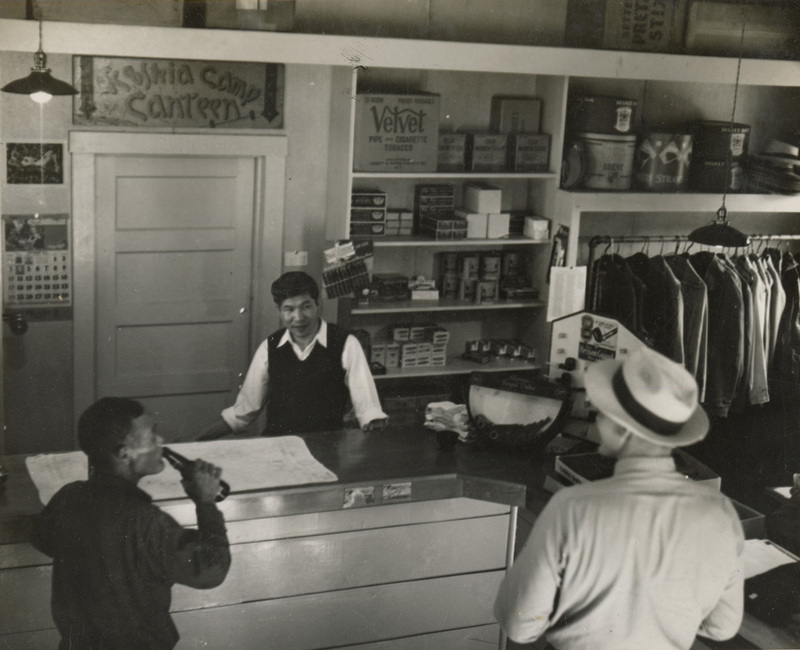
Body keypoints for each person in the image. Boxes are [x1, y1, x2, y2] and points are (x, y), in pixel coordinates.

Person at [494, 346, 745, 650]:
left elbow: (518, 625)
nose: (597, 423)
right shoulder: (720, 512)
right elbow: (722, 626)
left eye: (602, 413)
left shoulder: (572, 508)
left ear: (624, 430)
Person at [33, 397, 231, 650]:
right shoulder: (148, 522)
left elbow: (46, 541)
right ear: (123, 454)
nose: (161, 442)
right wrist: (205, 504)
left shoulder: (67, 497)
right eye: (152, 436)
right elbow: (212, 571)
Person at [197, 271, 387, 440]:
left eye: (306, 306)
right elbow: (243, 412)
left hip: (326, 448)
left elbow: (368, 409)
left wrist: (372, 428)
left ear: (317, 305)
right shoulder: (269, 348)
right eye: (289, 309)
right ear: (279, 311)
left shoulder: (346, 344)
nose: (298, 317)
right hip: (278, 448)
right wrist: (195, 439)